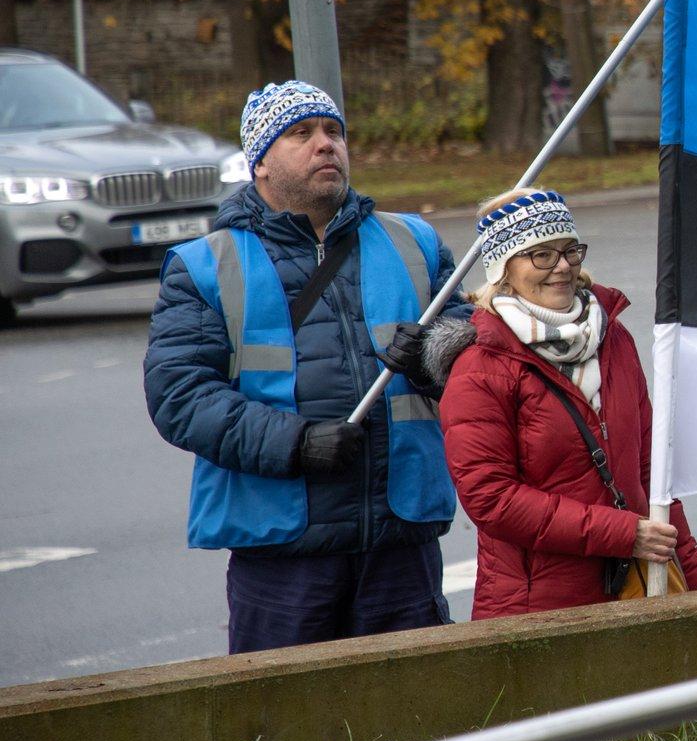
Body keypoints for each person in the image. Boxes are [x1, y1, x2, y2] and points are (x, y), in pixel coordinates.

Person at [145, 80, 465, 651]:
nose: (326, 144)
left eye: (333, 131)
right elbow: (181, 397)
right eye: (301, 134)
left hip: (399, 538)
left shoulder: (414, 241)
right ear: (260, 163)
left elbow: (474, 352)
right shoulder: (204, 265)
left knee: (414, 726)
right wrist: (295, 444)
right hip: (282, 550)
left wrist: (434, 355)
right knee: (282, 729)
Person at [434, 188, 697, 617]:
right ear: (503, 270)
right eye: (541, 255)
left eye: (569, 251)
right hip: (536, 608)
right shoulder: (481, 365)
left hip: (633, 590)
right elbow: (492, 499)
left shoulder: (613, 338)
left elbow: (651, 470)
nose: (562, 266)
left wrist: (693, 571)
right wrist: (623, 534)